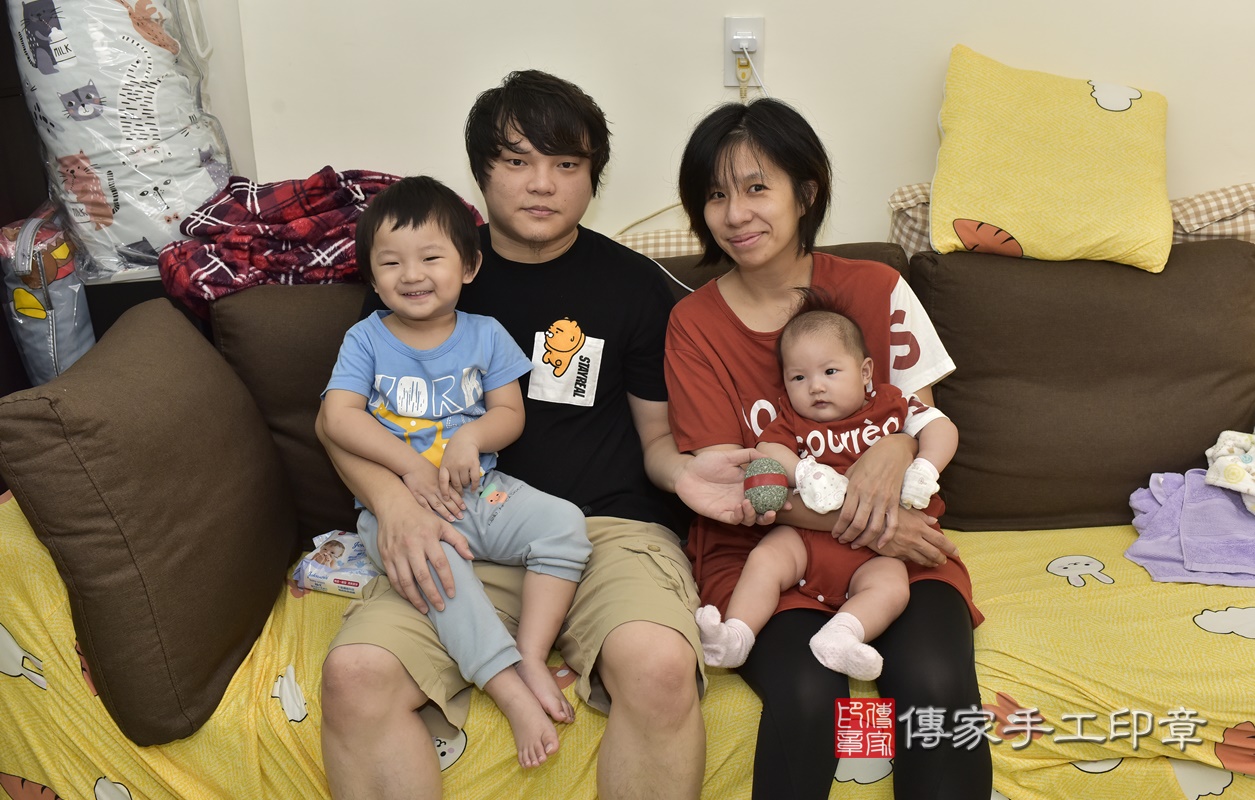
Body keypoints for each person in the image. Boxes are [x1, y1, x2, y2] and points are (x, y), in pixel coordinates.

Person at [316, 70, 762, 800]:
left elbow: (655, 436)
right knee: (354, 675)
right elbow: (341, 421)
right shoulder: (425, 270)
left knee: (657, 666)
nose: (542, 184)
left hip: (607, 530)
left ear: (592, 178)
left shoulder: (634, 285)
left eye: (566, 163)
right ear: (481, 173)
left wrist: (683, 473)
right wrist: (392, 505)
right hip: (452, 524)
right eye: (517, 161)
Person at [666, 97, 991, 799]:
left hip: (899, 551)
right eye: (715, 195)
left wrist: (896, 451)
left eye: (757, 187)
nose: (735, 213)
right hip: (764, 555)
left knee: (935, 685)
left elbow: (918, 422)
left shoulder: (877, 288)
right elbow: (736, 488)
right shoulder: (694, 324)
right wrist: (872, 518)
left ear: (805, 192)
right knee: (809, 698)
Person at [320, 175, 593, 767]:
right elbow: (338, 418)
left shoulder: (485, 334)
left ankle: (530, 654)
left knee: (566, 524)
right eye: (391, 262)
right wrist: (411, 470)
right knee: (443, 577)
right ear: (372, 278)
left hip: (481, 492)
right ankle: (506, 687)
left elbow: (509, 415)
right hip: (402, 511)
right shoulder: (366, 339)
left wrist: (470, 437)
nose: (411, 274)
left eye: (431, 257)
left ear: (469, 266)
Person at [695, 294, 961, 683]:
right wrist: (805, 473)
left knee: (891, 587)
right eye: (798, 378)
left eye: (830, 371)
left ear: (865, 372)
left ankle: (842, 636)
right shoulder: (791, 419)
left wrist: (925, 467)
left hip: (878, 549)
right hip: (807, 536)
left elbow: (940, 426)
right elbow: (767, 450)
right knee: (765, 560)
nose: (815, 387)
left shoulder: (890, 404)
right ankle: (736, 635)